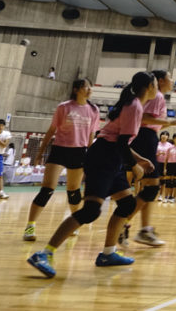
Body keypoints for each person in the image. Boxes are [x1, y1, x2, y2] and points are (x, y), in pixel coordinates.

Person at [26, 71, 158, 278]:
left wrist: (140, 159)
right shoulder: (134, 106)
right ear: (149, 87)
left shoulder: (133, 104)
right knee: (90, 211)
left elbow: (116, 139)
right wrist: (135, 166)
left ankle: (108, 254)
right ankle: (44, 254)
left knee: (127, 204)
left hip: (110, 156)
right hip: (103, 158)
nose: (157, 88)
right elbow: (120, 143)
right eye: (156, 84)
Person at [23, 78, 101, 241]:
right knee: (47, 189)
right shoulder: (64, 107)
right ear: (76, 89)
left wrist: (90, 155)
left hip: (80, 152)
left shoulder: (94, 110)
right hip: (59, 151)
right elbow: (52, 130)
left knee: (74, 191)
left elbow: (91, 135)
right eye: (86, 87)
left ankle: (74, 223)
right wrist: (40, 152)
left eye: (90, 88)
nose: (89, 90)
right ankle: (30, 226)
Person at [124, 69, 176, 247]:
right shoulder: (158, 96)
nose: (172, 81)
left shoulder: (156, 97)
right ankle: (123, 223)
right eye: (170, 77)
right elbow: (145, 118)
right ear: (160, 80)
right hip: (144, 138)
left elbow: (150, 122)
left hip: (147, 138)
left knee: (149, 189)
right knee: (152, 188)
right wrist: (171, 122)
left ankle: (145, 230)